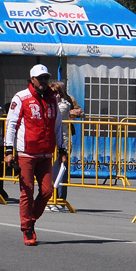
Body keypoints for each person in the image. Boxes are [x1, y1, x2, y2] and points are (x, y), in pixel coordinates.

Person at [4, 64, 66, 246]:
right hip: (26, 152)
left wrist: (62, 148)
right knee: (27, 191)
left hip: (46, 152)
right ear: (32, 79)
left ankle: (31, 219)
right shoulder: (21, 97)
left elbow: (58, 125)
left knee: (47, 190)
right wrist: (9, 150)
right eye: (40, 78)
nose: (44, 81)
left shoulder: (53, 99)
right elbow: (11, 124)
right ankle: (27, 229)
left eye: (46, 77)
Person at [47, 80, 83, 210]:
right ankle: (50, 198)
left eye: (56, 92)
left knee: (61, 169)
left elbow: (61, 114)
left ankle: (60, 200)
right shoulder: (48, 103)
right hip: (50, 140)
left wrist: (74, 113)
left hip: (63, 140)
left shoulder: (65, 103)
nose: (53, 94)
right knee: (49, 170)